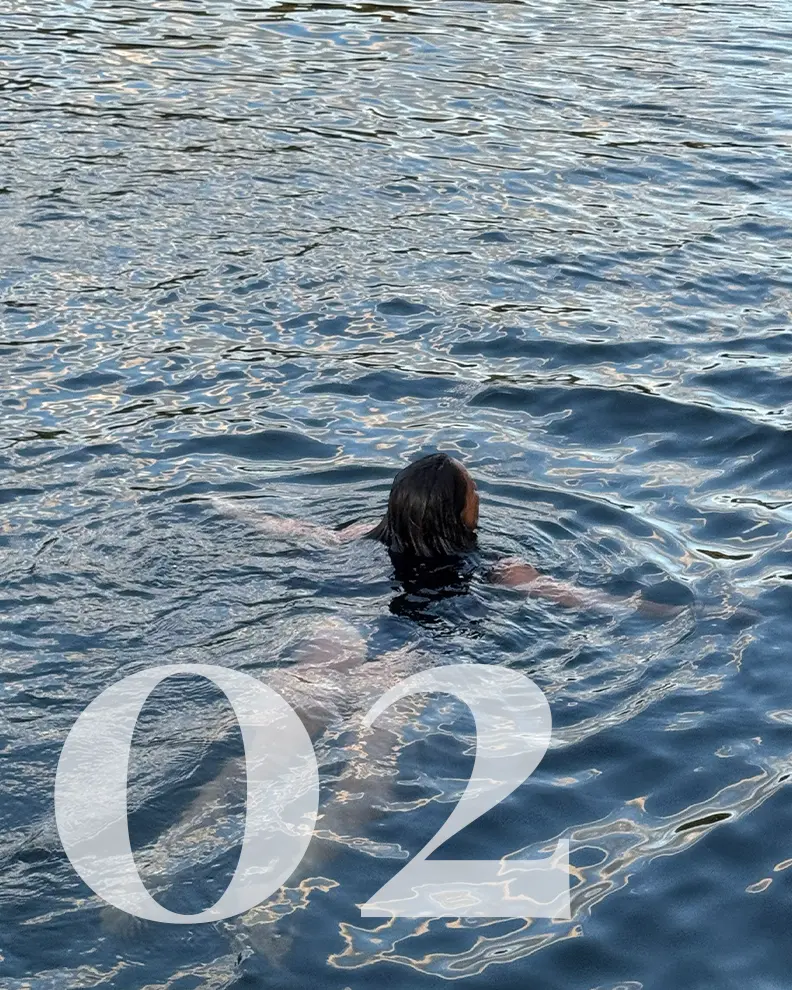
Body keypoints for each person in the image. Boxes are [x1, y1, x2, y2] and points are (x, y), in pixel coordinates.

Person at [214, 452, 678, 615]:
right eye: (473, 489)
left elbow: (294, 529)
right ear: (459, 510)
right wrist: (667, 609)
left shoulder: (357, 535)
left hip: (346, 621)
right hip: (416, 649)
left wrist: (224, 506)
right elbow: (588, 600)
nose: (479, 493)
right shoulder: (503, 569)